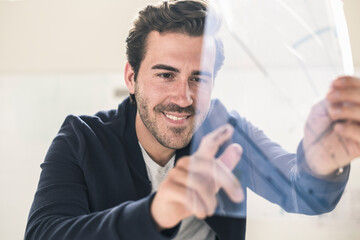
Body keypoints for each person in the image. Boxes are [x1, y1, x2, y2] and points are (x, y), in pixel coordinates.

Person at [25, 0, 359, 239]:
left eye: (199, 78)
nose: (184, 98)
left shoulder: (226, 132)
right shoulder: (81, 138)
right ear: (131, 77)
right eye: (166, 75)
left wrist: (320, 164)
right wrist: (156, 212)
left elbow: (301, 189)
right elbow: (43, 233)